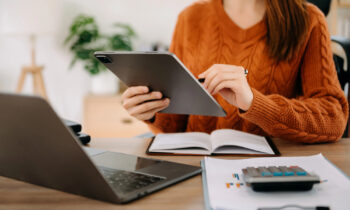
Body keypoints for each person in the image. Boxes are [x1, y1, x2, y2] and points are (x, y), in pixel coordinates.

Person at [121, 0, 348, 143]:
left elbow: (334, 118)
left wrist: (255, 104)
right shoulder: (190, 18)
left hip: (267, 169)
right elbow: (175, 125)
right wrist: (151, 110)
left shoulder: (308, 19)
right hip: (195, 168)